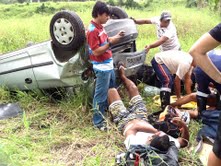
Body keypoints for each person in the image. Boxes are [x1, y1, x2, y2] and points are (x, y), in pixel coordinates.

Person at [108, 65, 189, 155]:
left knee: (112, 91)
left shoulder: (134, 145)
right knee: (134, 89)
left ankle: (107, 77)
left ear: (150, 139)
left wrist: (155, 131)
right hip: (142, 118)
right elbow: (184, 141)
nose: (161, 133)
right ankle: (123, 76)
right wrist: (183, 125)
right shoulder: (164, 142)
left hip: (125, 121)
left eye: (158, 134)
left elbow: (134, 127)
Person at [87, 1, 125, 130]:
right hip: (102, 67)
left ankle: (109, 113)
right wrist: (110, 44)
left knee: (111, 90)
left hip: (108, 65)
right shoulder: (92, 31)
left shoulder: (100, 27)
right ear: (98, 14)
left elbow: (106, 41)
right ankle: (98, 123)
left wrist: (116, 37)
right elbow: (96, 51)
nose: (108, 18)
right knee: (100, 96)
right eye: (106, 15)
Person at [189, 24, 221, 165]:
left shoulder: (200, 70)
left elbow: (200, 95)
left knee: (218, 151)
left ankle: (201, 115)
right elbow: (202, 94)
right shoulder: (201, 70)